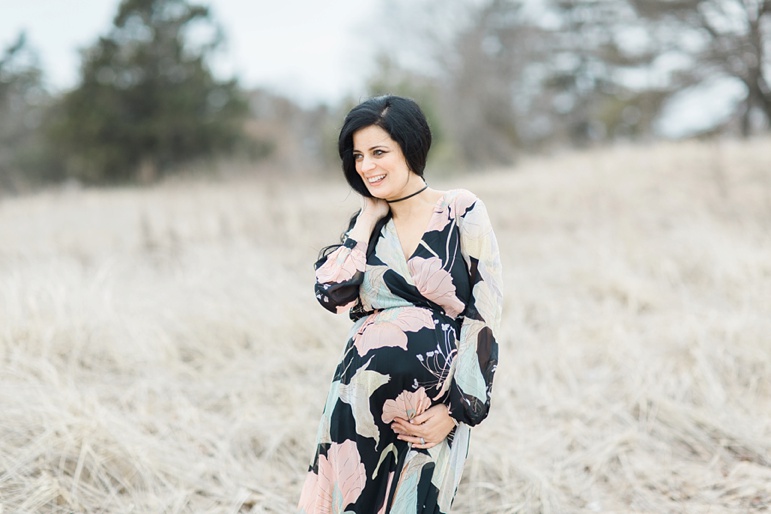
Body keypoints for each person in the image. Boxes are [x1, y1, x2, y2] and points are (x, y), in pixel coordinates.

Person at [297, 95, 503, 514]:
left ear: (409, 147)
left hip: (428, 417)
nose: (366, 166)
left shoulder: (460, 210)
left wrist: (456, 411)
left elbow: (484, 315)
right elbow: (330, 294)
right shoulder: (368, 228)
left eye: (378, 152)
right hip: (354, 413)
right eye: (357, 156)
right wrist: (366, 221)